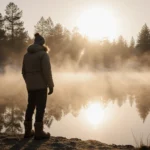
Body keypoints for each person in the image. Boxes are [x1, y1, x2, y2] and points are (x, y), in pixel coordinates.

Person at [22, 33, 54, 140]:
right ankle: (38, 132)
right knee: (40, 107)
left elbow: (23, 72)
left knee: (30, 106)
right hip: (41, 86)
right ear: (42, 44)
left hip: (30, 86)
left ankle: (27, 132)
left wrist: (29, 82)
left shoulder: (26, 55)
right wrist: (50, 85)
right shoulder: (43, 54)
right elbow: (47, 71)